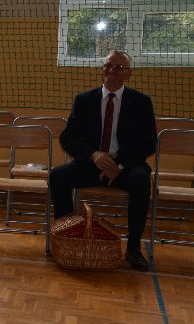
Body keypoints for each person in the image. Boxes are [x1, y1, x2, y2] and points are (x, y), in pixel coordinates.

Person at [49, 50, 157, 272]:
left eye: (119, 67)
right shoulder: (84, 100)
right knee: (57, 176)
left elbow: (148, 144)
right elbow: (67, 137)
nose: (112, 71)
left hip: (126, 167)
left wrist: (119, 166)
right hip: (92, 164)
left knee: (140, 180)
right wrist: (93, 155)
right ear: (102, 69)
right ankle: (67, 235)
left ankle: (133, 248)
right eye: (108, 65)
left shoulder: (141, 102)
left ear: (129, 73)